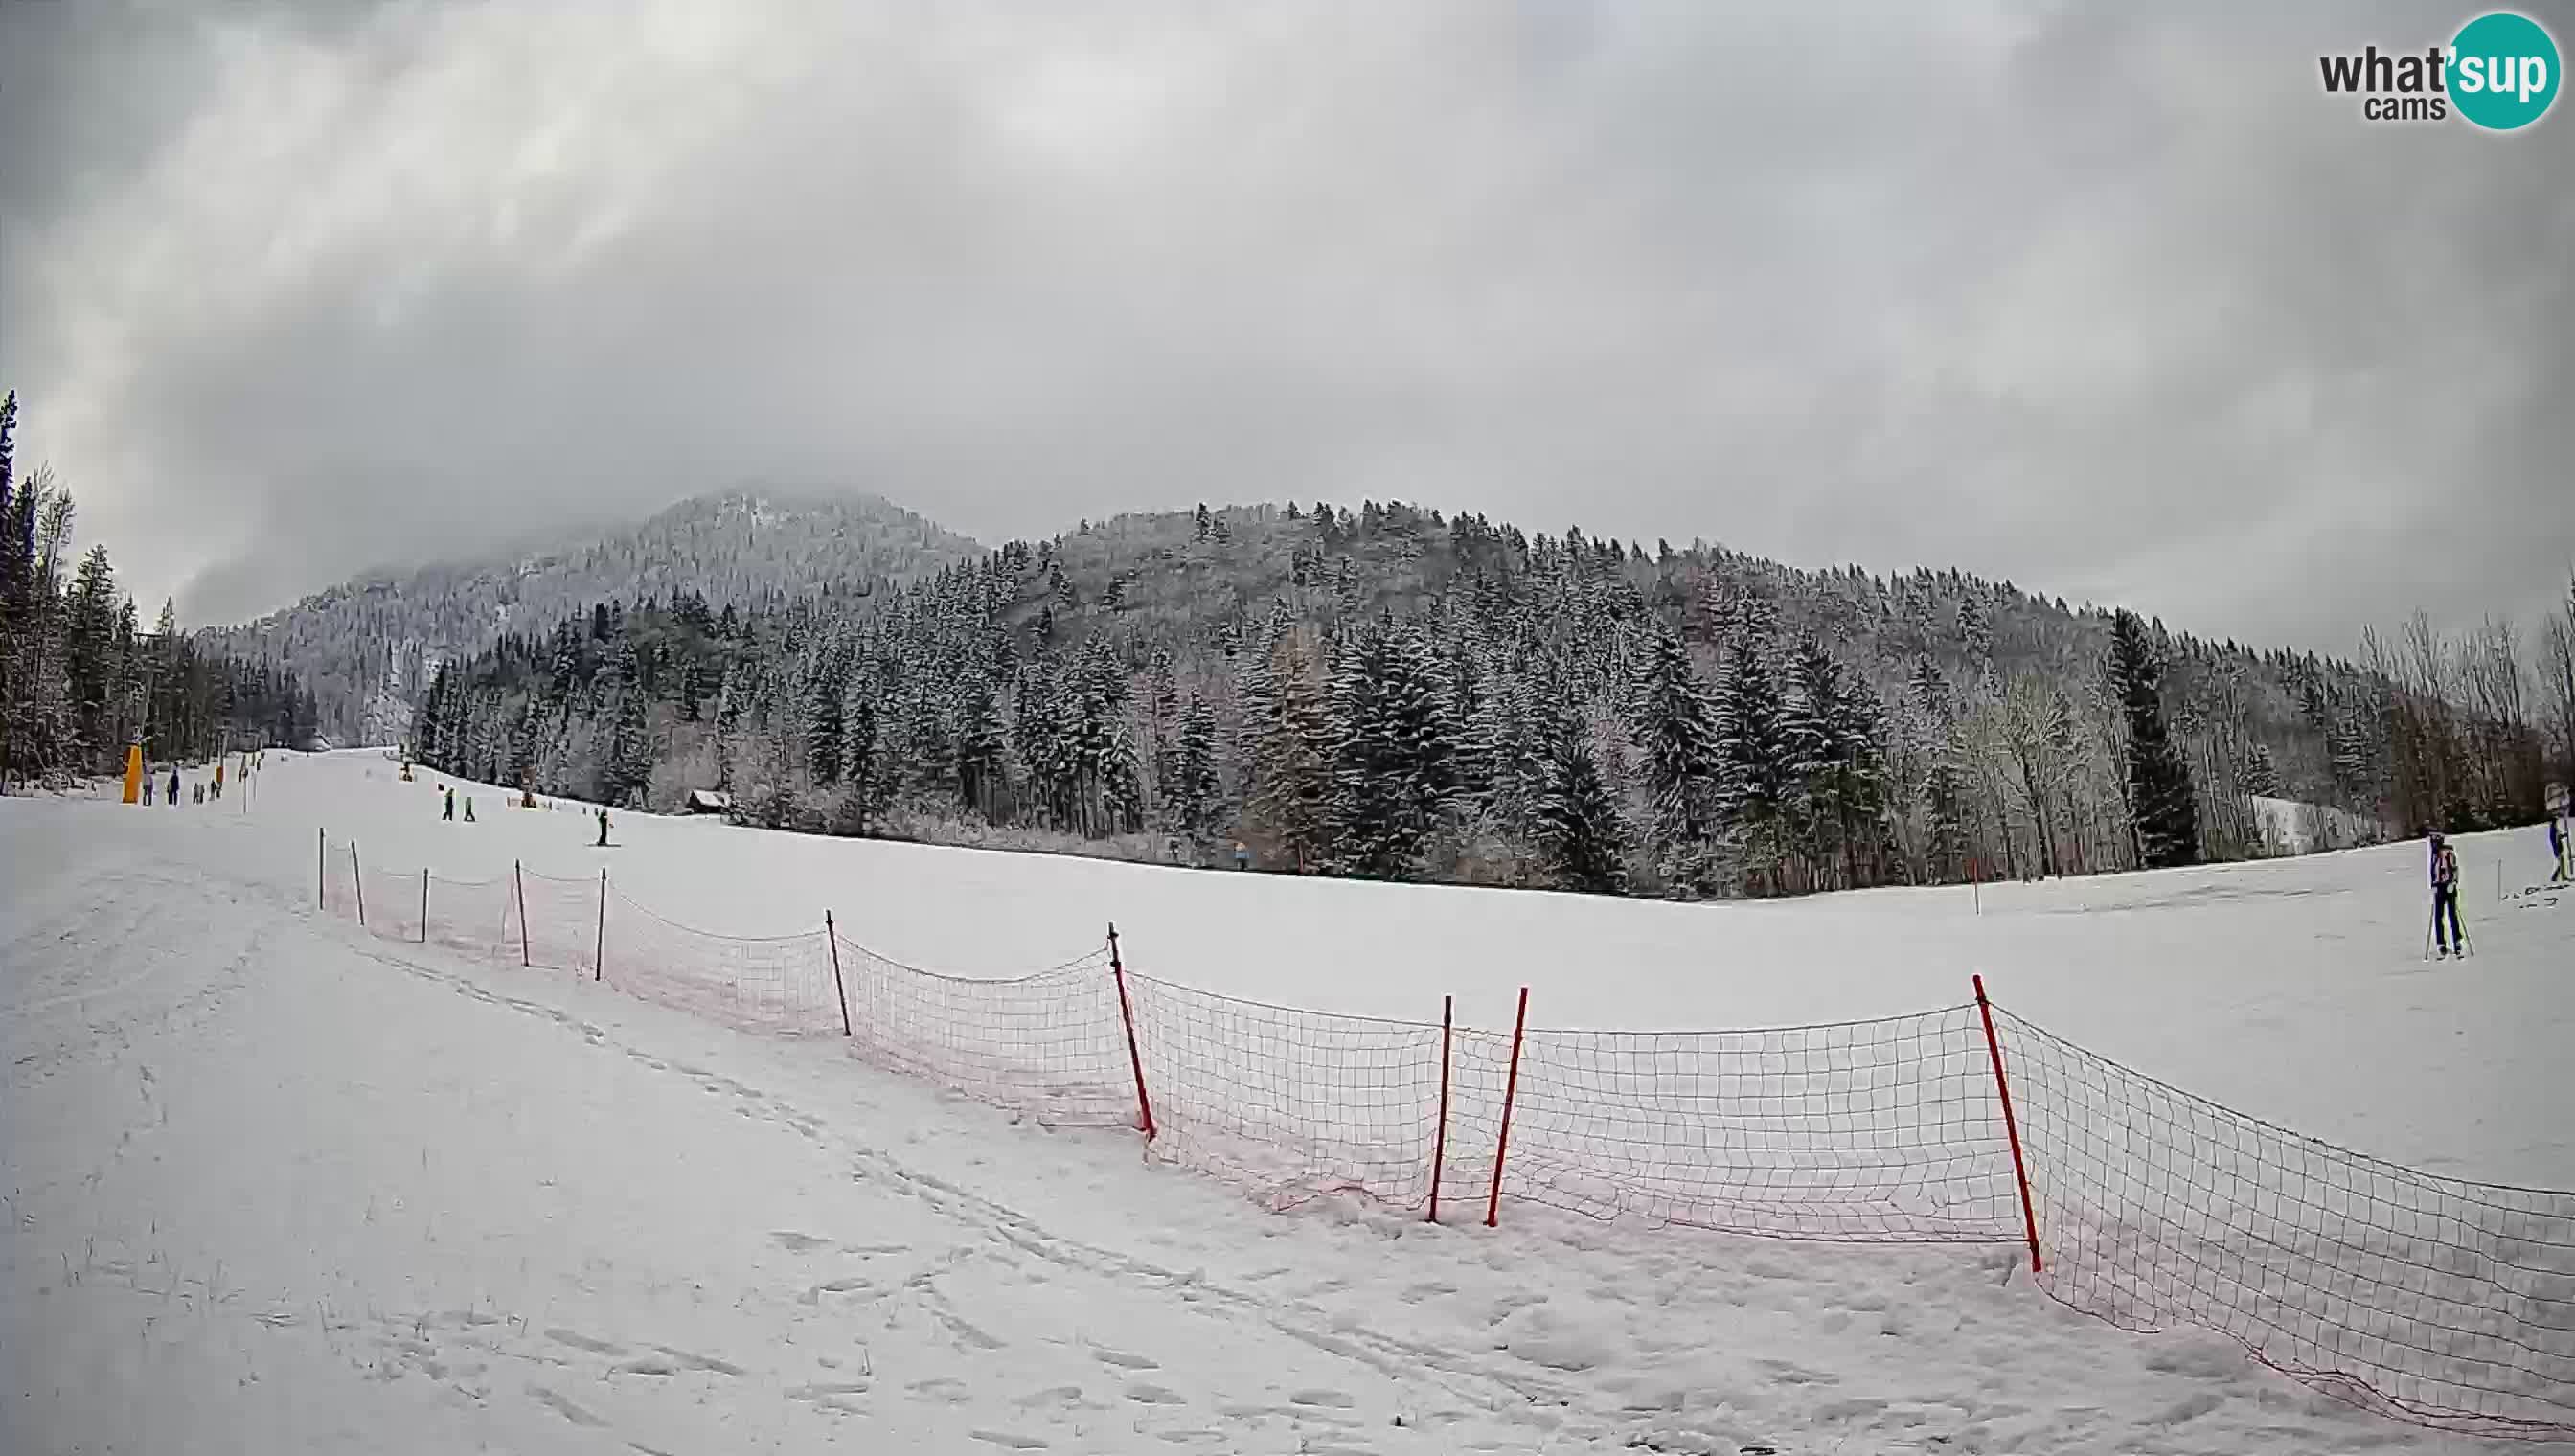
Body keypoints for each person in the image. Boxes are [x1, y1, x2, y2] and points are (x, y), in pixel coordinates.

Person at [2429, 831, 2464, 957]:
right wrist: (2433, 884)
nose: (2432, 845)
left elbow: (2455, 869)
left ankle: (2457, 941)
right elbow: (2433, 871)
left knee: (2452, 914)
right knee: (2438, 916)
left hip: (2449, 887)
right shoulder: (2433, 855)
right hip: (2439, 888)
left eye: (2434, 842)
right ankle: (2441, 943)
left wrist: (2453, 883)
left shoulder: (2448, 853)